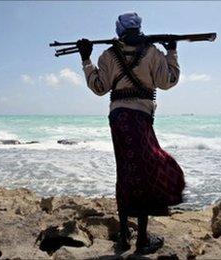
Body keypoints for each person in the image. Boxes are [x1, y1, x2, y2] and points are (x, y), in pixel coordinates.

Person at [77, 12, 185, 254]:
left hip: (118, 119)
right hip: (141, 118)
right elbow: (168, 81)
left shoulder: (107, 55)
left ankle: (125, 238)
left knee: (125, 172)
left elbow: (99, 88)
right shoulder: (153, 52)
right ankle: (142, 240)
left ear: (118, 31)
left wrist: (86, 60)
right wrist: (172, 52)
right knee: (146, 171)